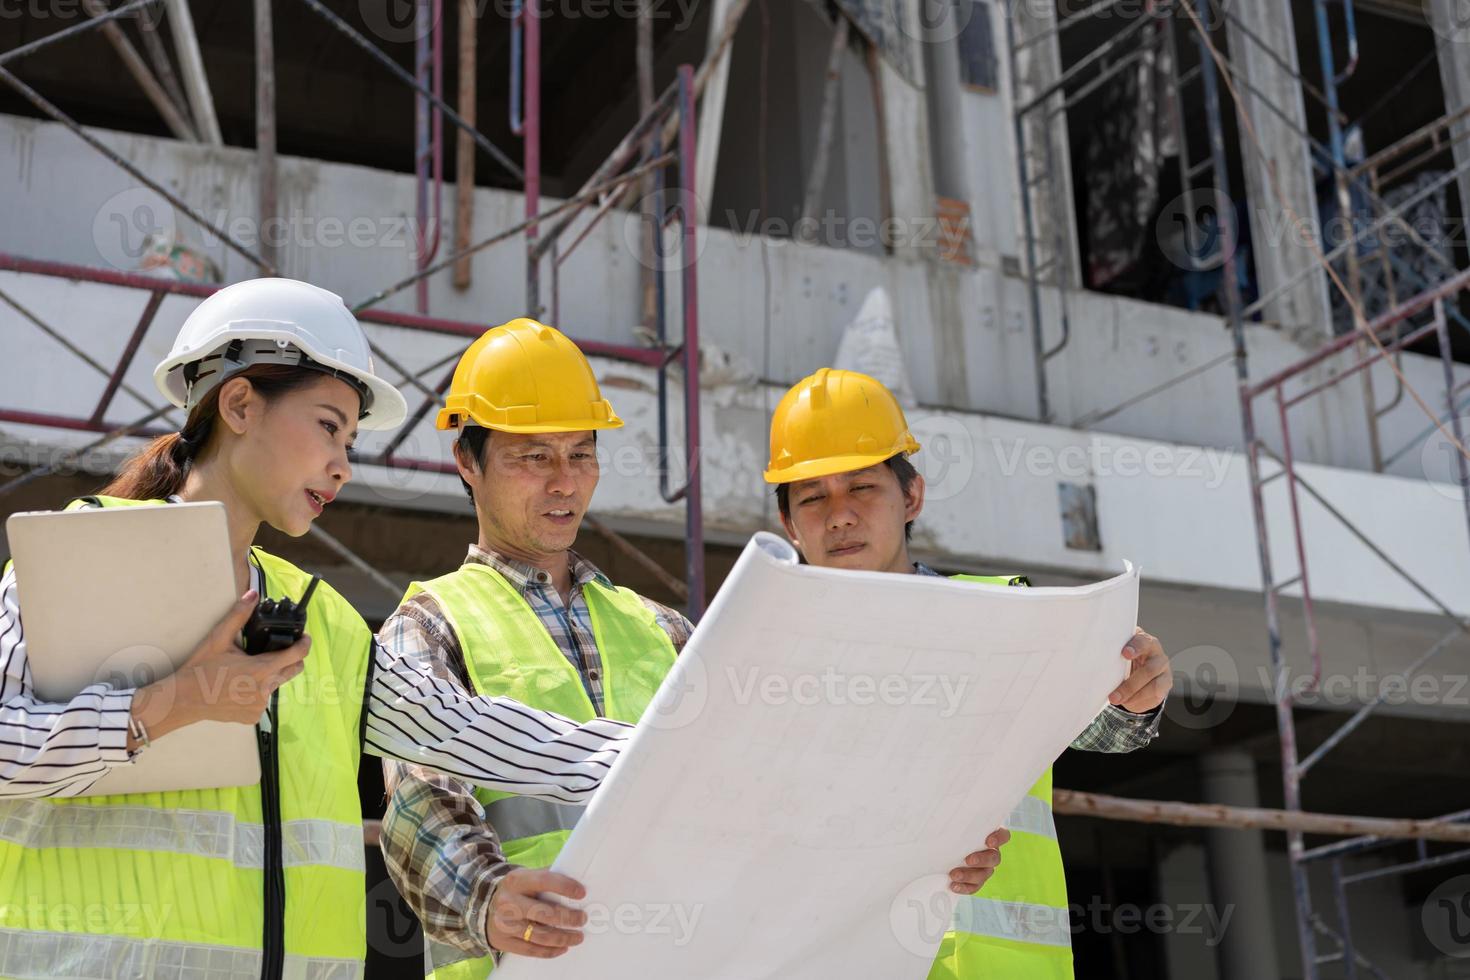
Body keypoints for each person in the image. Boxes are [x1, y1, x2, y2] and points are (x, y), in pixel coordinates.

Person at [0, 280, 633, 980]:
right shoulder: (80, 553)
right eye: (329, 427)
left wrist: (676, 750)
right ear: (239, 404)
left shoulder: (320, 618)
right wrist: (170, 704)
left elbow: (472, 731)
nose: (342, 465)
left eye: (351, 441)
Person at [378, 320, 1010, 976]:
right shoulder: (430, 623)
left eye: (581, 453)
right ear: (466, 461)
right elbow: (418, 800)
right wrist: (485, 896)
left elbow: (780, 793)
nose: (564, 482)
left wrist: (923, 849)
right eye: (534, 457)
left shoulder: (668, 632)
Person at [763, 368, 1174, 980]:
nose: (840, 515)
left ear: (912, 497)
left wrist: (1137, 698)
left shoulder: (1004, 618)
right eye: (813, 496)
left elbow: (1099, 732)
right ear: (790, 526)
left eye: (862, 488)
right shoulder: (765, 662)